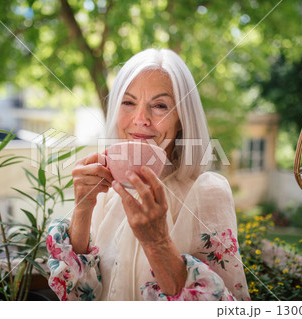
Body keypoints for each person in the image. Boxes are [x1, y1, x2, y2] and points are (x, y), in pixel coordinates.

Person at [46, 48, 250, 301]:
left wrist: (157, 242)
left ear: (182, 121)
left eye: (160, 105)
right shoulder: (107, 191)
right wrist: (82, 208)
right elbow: (78, 295)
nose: (140, 119)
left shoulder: (207, 192)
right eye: (129, 103)